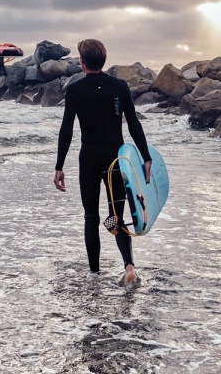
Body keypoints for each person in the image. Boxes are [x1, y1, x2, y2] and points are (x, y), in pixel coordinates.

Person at [53, 39, 153, 287]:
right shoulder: (119, 87)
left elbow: (66, 130)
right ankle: (129, 267)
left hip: (88, 159)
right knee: (116, 216)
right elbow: (133, 124)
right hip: (115, 159)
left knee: (90, 217)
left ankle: (95, 275)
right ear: (103, 60)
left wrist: (59, 166)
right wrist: (146, 157)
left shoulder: (75, 90)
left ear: (82, 62)